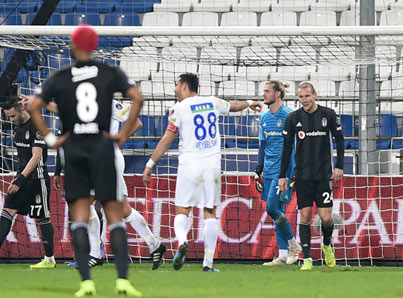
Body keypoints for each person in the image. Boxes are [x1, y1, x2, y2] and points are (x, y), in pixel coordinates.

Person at [27, 24, 144, 297]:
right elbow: (137, 98)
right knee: (114, 214)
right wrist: (122, 135)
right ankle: (123, 281)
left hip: (75, 149)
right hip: (103, 147)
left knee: (79, 216)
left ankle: (86, 283)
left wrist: (51, 139)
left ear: (73, 46)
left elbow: (34, 105)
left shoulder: (61, 76)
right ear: (94, 47)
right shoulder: (108, 72)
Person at [29, 95, 168, 270]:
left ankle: (95, 254)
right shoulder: (83, 102)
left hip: (107, 159)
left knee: (87, 202)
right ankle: (155, 246)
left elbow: (137, 123)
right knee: (123, 209)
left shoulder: (111, 104)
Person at [142, 73, 262, 272]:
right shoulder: (211, 102)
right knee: (210, 213)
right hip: (211, 166)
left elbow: (167, 138)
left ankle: (182, 242)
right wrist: (250, 102)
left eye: (176, 85)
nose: (174, 89)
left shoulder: (179, 108)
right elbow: (233, 106)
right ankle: (208, 263)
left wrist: (150, 163)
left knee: (182, 210)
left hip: (189, 165)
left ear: (185, 87)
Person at [278, 82, 345, 271]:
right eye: (300, 97)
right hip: (303, 176)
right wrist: (282, 175)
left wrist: (339, 166)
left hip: (323, 176)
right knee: (305, 215)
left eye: (307, 96)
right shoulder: (293, 118)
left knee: (325, 218)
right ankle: (307, 259)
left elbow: (340, 140)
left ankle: (326, 244)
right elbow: (286, 148)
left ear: (315, 95)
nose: (304, 100)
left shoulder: (328, 115)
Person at [0, 99, 55, 269]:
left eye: (13, 116)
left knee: (41, 218)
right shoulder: (17, 127)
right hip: (22, 178)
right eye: (8, 117)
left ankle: (50, 259)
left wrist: (20, 179)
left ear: (22, 110)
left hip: (36, 180)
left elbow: (36, 157)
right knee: (7, 211)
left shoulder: (36, 125)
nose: (11, 120)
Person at [255, 80, 301, 266]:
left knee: (272, 208)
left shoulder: (290, 115)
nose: (264, 94)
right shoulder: (264, 118)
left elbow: (298, 144)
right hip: (268, 169)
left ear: (278, 94)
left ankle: (293, 245)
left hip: (283, 171)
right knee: (278, 212)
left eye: (267, 91)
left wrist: (296, 169)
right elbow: (262, 144)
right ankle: (283, 256)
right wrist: (258, 168)